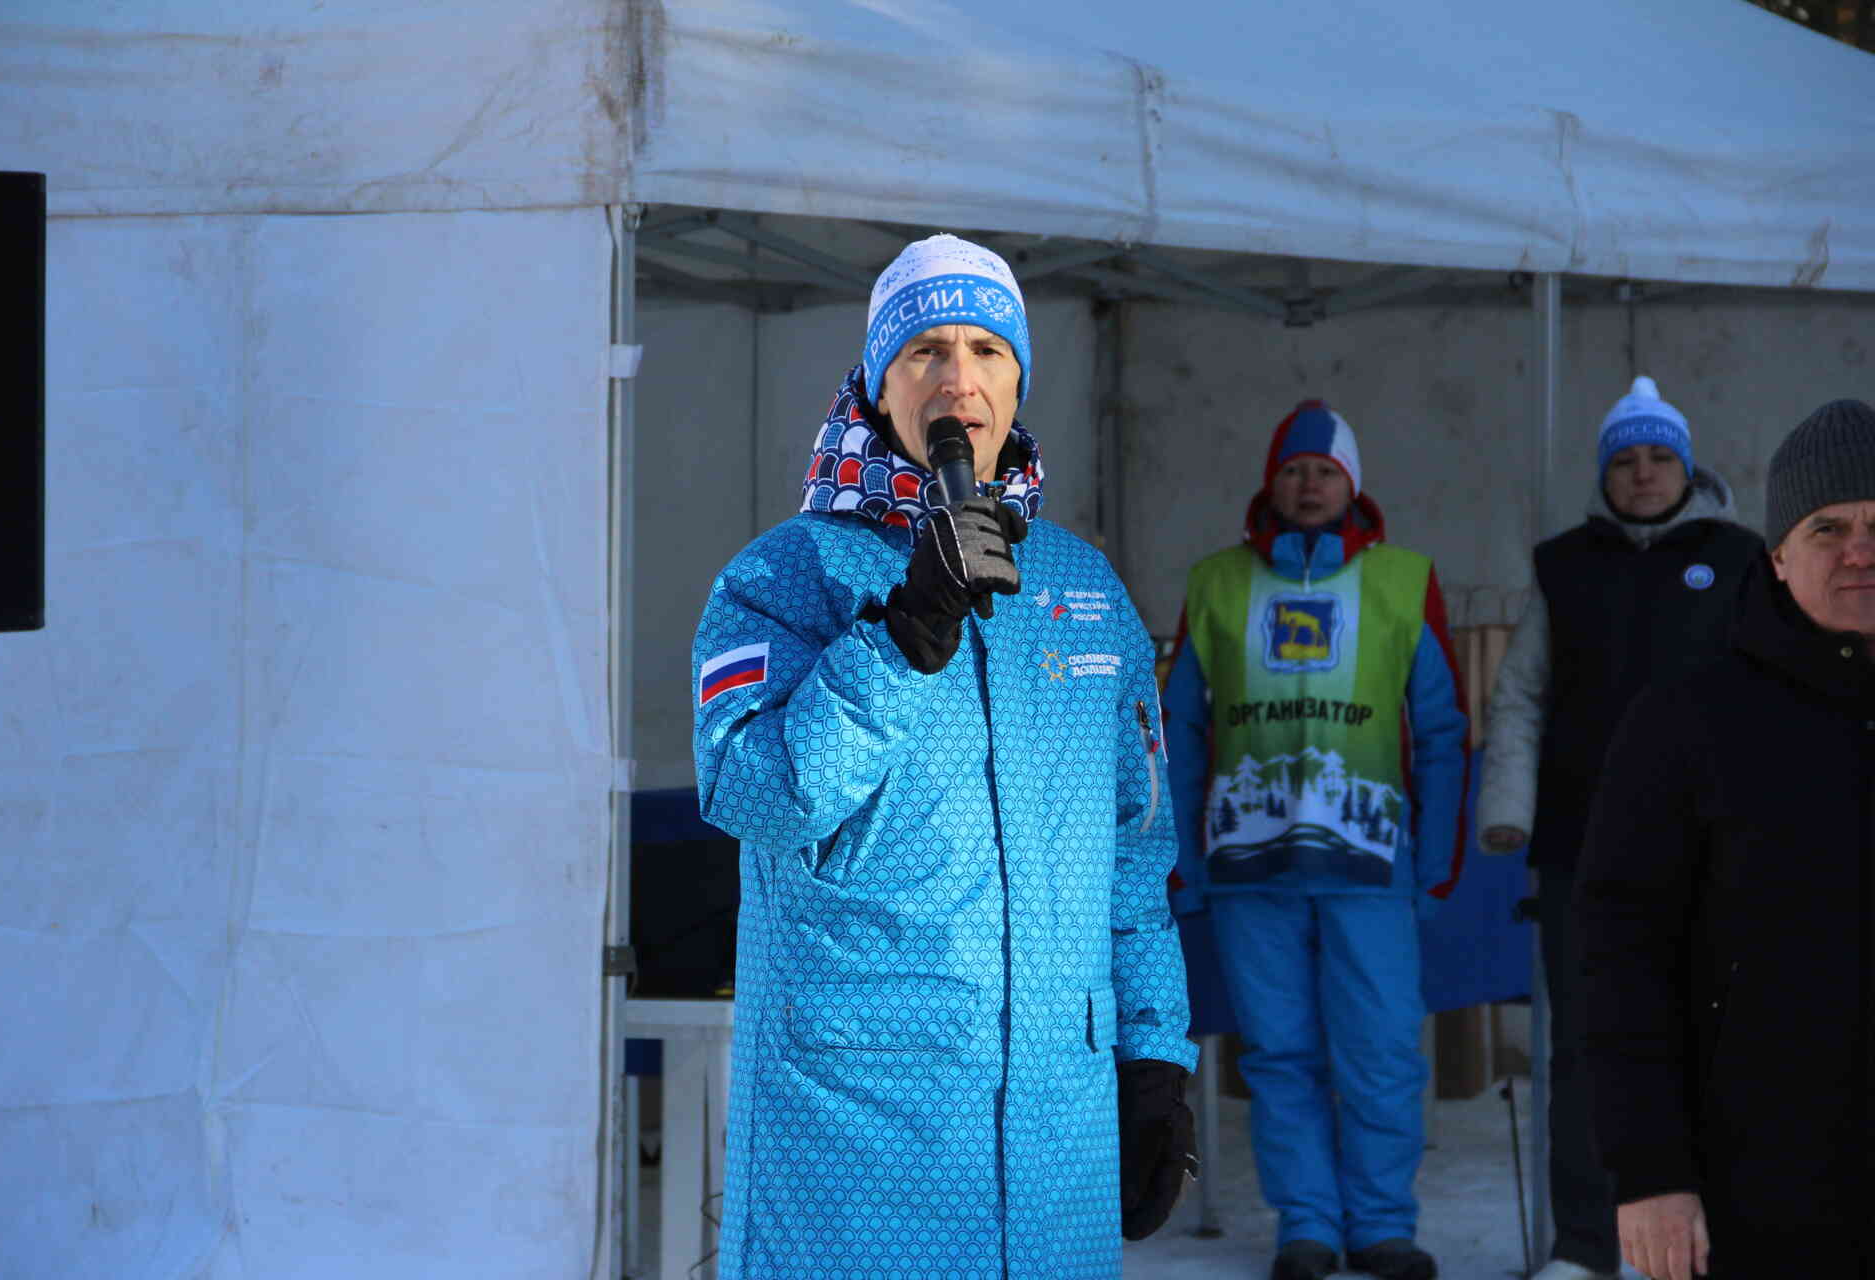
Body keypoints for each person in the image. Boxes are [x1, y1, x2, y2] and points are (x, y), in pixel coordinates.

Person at [692, 234, 1198, 1280]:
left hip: (1056, 1133)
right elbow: (754, 793)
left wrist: (1154, 1056)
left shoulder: (1084, 588)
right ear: (881, 386)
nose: (959, 379)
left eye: (986, 350)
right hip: (859, 1136)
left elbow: (1134, 856)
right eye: (925, 350)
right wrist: (899, 636)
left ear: (1017, 385)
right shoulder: (784, 575)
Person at [1162, 402, 1469, 1280]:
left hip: (1369, 866)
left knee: (1380, 1055)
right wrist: (1184, 861)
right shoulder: (1217, 582)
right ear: (1271, 482)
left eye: (1324, 471)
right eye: (1293, 470)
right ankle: (1306, 1226)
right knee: (1280, 1058)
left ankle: (1381, 1226)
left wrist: (1436, 863)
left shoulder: (1404, 580)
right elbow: (1180, 735)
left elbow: (1443, 733)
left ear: (1353, 485)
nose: (1307, 485)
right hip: (1249, 868)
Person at [1573, 398, 1875, 1280]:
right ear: (1777, 554)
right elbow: (1620, 956)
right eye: (1827, 528)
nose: (1859, 552)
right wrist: (1649, 1173)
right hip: (1761, 1197)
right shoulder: (1687, 718)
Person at [1475, 376, 1761, 1280]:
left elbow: (1772, 695)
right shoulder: (1564, 565)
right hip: (1583, 848)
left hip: (1714, 848)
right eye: (1625, 460)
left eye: (1659, 457)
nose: (1642, 473)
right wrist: (1508, 811)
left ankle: (1720, 1239)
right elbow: (1521, 696)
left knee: (1723, 1042)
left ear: (1687, 467)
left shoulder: (1744, 558)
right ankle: (1586, 1247)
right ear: (1604, 474)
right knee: (1585, 1050)